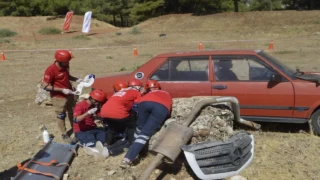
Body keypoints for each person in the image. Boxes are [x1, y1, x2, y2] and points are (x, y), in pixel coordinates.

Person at [120, 80, 172, 168]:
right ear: (158, 87)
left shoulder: (147, 94)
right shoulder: (166, 93)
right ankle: (128, 159)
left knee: (139, 128)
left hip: (144, 103)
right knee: (144, 134)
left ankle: (136, 151)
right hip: (162, 107)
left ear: (148, 89)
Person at [41, 50, 82, 143]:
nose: (68, 63)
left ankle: (76, 129)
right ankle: (64, 134)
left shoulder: (66, 65)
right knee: (61, 115)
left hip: (70, 94)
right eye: (66, 61)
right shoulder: (50, 70)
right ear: (59, 61)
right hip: (59, 97)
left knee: (72, 112)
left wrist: (77, 79)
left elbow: (67, 76)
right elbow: (45, 86)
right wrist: (62, 90)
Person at [100, 79, 143, 146]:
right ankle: (131, 144)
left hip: (104, 112)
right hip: (118, 113)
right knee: (131, 126)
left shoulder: (120, 92)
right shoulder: (135, 92)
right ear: (138, 87)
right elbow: (137, 105)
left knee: (112, 128)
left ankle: (106, 144)